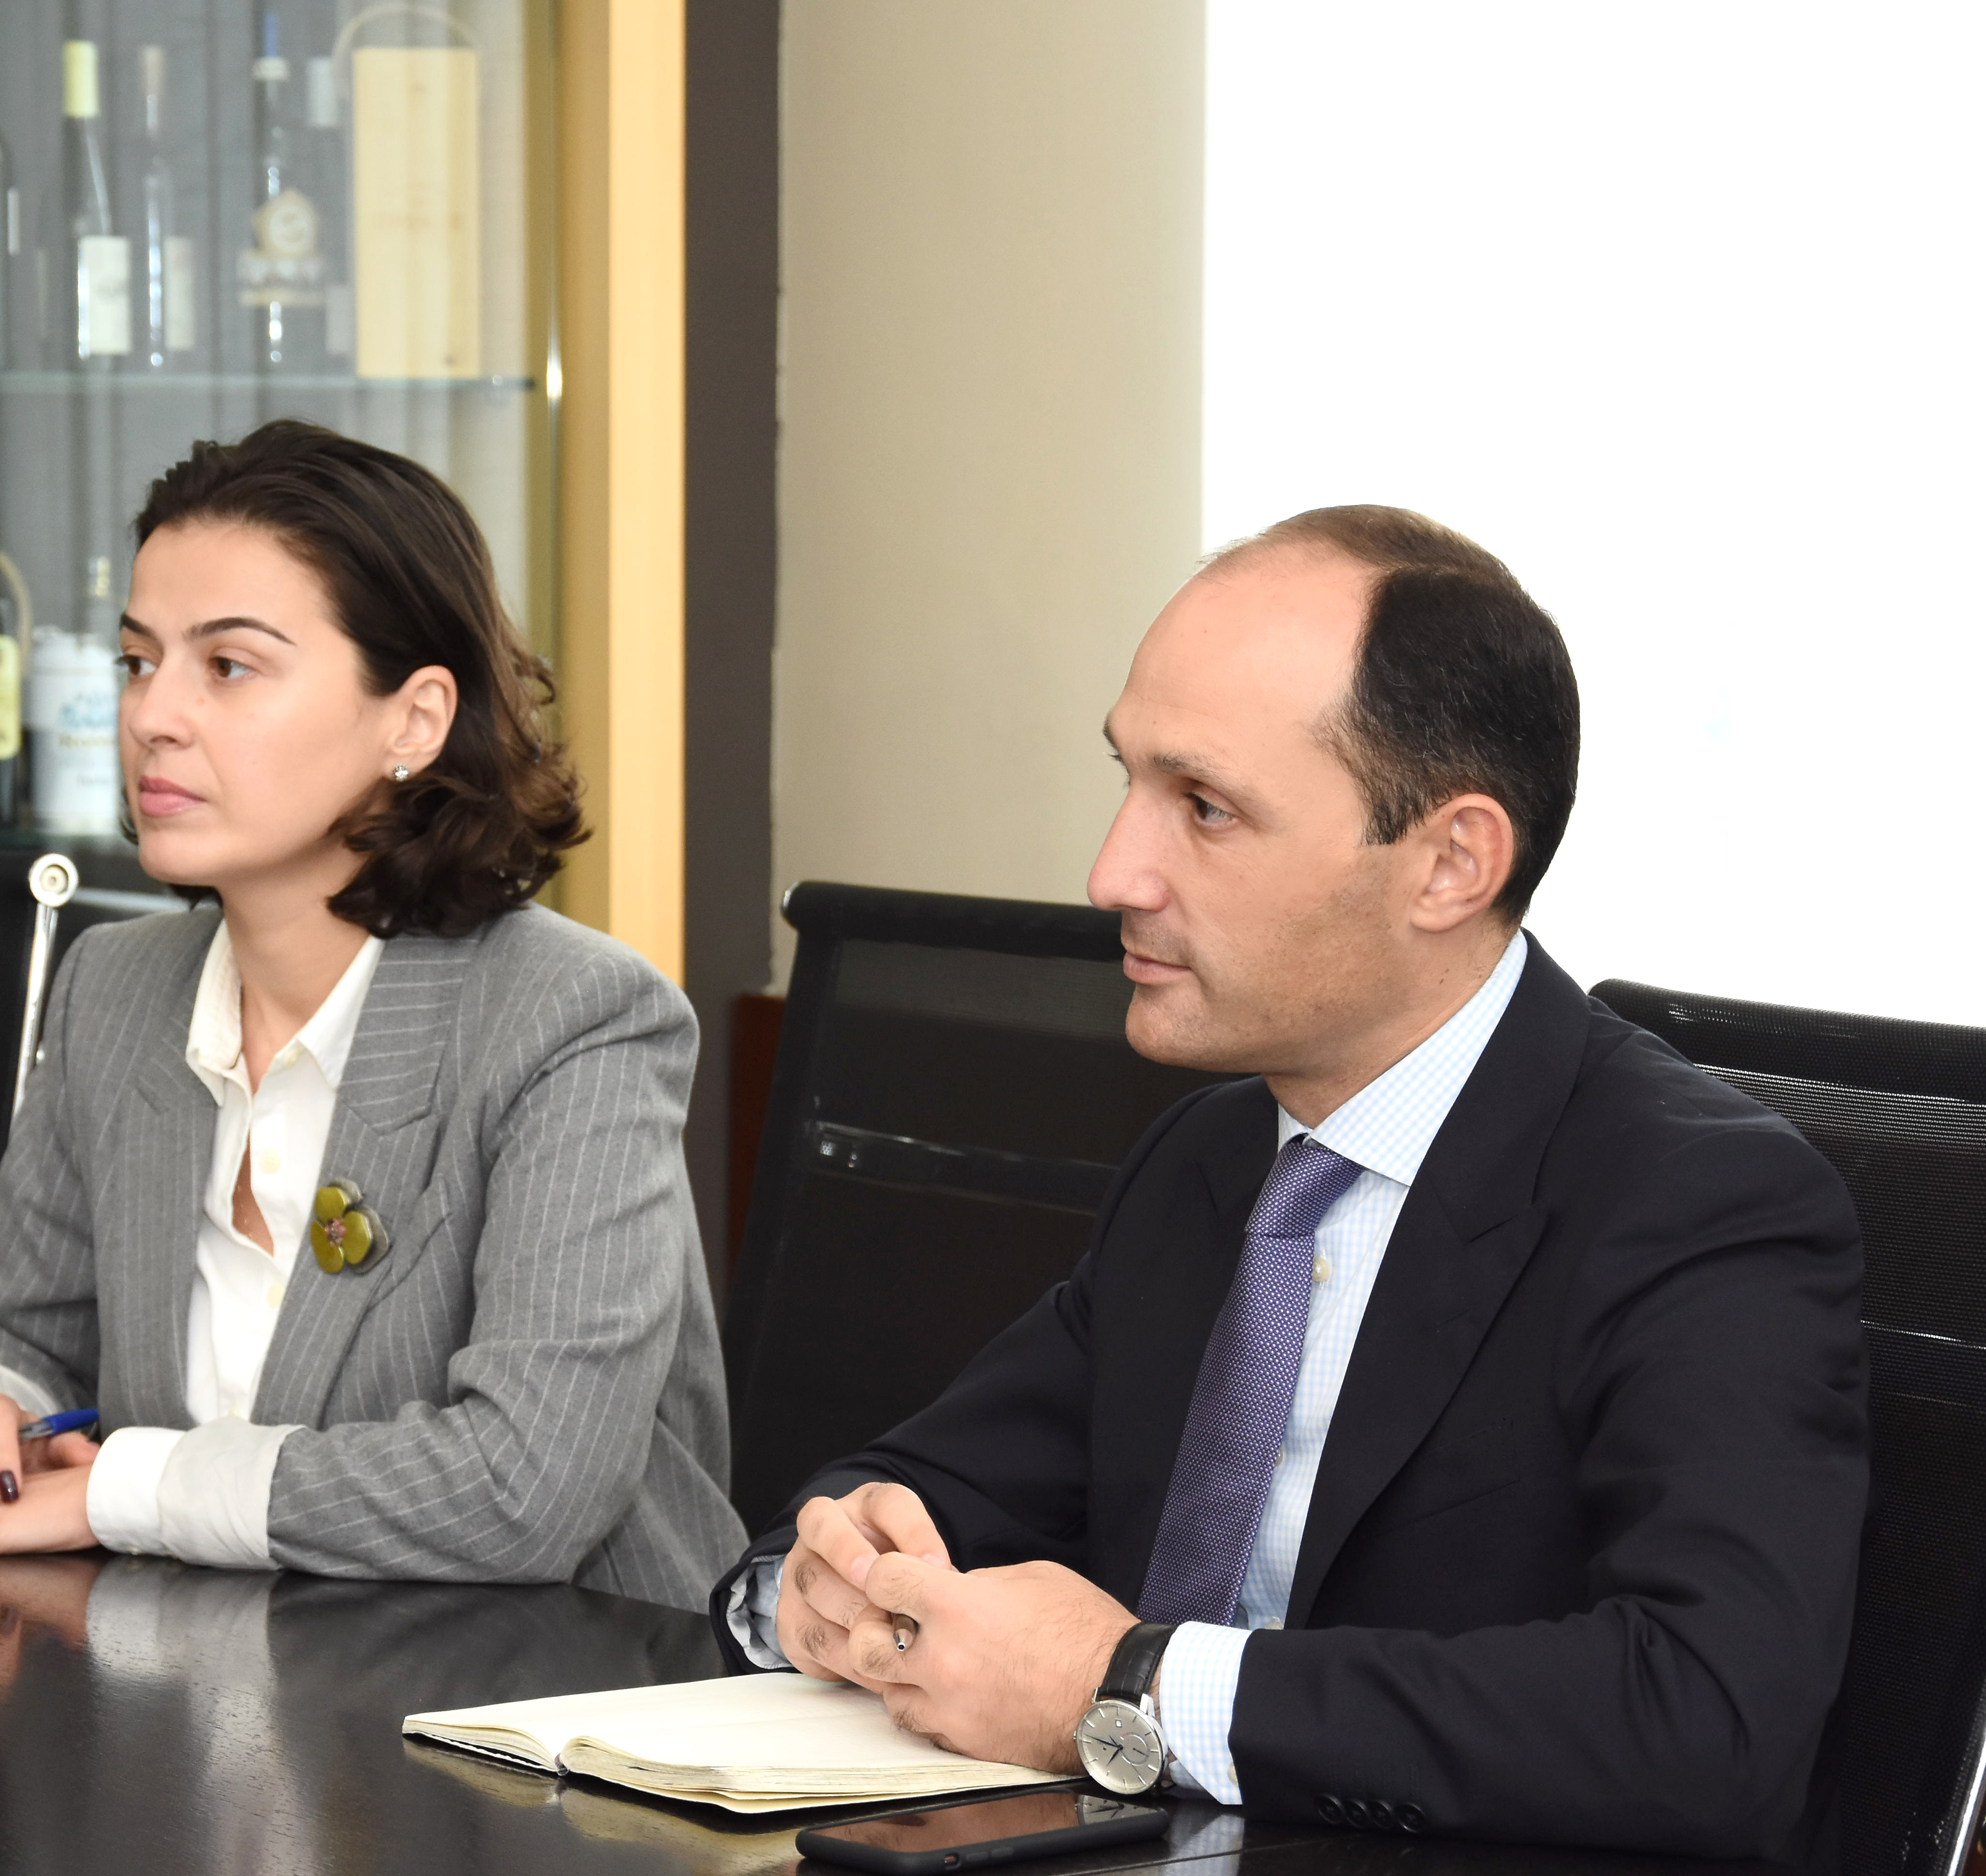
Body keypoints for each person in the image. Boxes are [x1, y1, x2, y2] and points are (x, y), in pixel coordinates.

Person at [714, 507, 1867, 1861]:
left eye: (1205, 808)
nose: (1112, 871)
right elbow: (919, 1484)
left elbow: (1706, 1717)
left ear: (1450, 862)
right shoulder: (1208, 1161)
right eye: (1128, 779)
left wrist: (1129, 1686)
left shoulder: (1696, 1201)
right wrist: (825, 1583)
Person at [0, 421, 746, 1610]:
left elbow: (528, 1482)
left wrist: (121, 1488)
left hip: (563, 1692)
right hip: (219, 1670)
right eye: (138, 661)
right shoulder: (116, 988)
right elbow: (1, 1318)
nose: (153, 715)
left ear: (415, 719)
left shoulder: (577, 1018)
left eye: (229, 666)